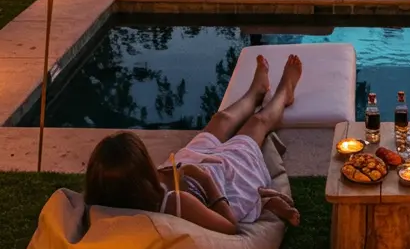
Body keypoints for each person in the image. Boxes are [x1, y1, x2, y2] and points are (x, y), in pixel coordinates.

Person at [84, 55, 302, 234]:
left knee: (221, 120)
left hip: (189, 163)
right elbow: (228, 226)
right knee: (256, 124)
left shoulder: (102, 211)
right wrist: (202, 177)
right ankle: (285, 92)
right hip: (216, 177)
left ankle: (256, 92)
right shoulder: (175, 204)